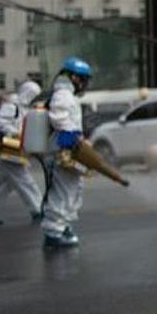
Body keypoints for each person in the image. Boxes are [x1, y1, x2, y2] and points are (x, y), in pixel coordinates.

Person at [41, 56, 92, 249]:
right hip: (61, 151)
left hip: (68, 150)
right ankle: (53, 233)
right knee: (62, 193)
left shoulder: (66, 94)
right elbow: (59, 119)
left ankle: (63, 226)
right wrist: (71, 140)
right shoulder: (62, 94)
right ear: (74, 77)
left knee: (73, 189)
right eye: (83, 79)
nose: (84, 84)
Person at [0, 80, 44, 227]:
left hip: (10, 148)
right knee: (25, 180)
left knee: (6, 183)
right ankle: (38, 209)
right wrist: (16, 133)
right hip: (7, 148)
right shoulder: (12, 106)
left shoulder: (19, 107)